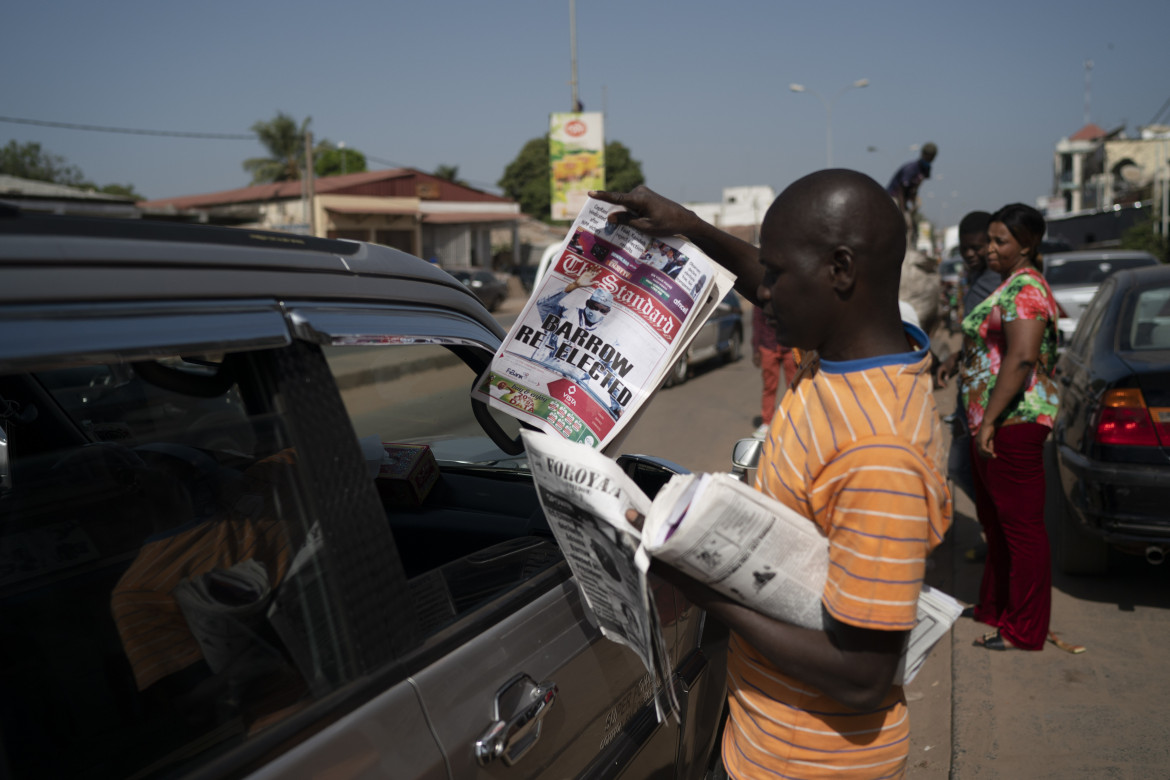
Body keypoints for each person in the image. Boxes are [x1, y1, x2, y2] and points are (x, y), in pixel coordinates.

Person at [592, 169, 951, 778]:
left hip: (808, 764)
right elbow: (763, 281)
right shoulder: (846, 351)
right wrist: (687, 225)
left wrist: (699, 585)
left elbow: (864, 678)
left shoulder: (880, 450)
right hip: (763, 739)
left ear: (840, 272)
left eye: (779, 273)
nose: (766, 293)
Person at [942, 203, 1060, 652]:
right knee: (996, 520)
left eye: (1000, 241)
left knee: (1022, 529)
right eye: (988, 240)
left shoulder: (1027, 289)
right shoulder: (1010, 285)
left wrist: (990, 418)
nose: (989, 249)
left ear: (1026, 245)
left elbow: (1022, 356)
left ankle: (1025, 630)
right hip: (987, 421)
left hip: (1015, 419)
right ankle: (995, 608)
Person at [936, 211, 1001, 502]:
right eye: (965, 248)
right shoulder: (973, 277)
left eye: (978, 247)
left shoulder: (998, 281)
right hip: (970, 387)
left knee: (964, 468)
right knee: (963, 468)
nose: (971, 254)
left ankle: (997, 530)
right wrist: (956, 358)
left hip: (989, 392)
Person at [750, 305, 795, 438]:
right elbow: (757, 323)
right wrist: (756, 350)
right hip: (768, 346)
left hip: (789, 345)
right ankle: (767, 422)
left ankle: (794, 420)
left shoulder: (790, 290)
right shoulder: (762, 293)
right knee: (769, 387)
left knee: (794, 387)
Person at [886, 142, 937, 216]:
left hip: (905, 198)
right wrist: (903, 211)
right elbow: (901, 190)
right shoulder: (911, 169)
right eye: (928, 156)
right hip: (894, 196)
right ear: (922, 154)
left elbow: (916, 186)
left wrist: (914, 202)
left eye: (932, 157)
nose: (930, 159)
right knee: (900, 218)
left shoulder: (926, 169)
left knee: (913, 218)